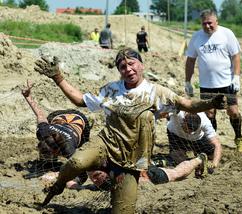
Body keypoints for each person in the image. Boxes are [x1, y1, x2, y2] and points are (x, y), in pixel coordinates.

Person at [34, 48, 226, 213]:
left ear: (141, 65)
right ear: (119, 71)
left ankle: (197, 160)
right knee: (76, 161)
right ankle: (58, 186)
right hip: (105, 145)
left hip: (130, 161)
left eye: (132, 64)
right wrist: (58, 77)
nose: (128, 69)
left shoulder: (157, 92)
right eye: (123, 67)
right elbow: (79, 100)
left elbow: (188, 104)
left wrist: (210, 103)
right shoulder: (111, 90)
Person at [185, 9, 242, 152]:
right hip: (207, 85)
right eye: (204, 24)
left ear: (216, 21)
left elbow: (236, 56)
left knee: (233, 112)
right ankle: (213, 142)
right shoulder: (196, 37)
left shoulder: (226, 34)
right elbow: (190, 60)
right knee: (209, 114)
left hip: (226, 83)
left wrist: (236, 77)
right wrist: (187, 81)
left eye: (210, 23)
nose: (207, 26)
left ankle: (238, 137)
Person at [21, 79, 91, 188]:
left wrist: (60, 176)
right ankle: (46, 164)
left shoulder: (69, 149)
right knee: (45, 163)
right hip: (58, 116)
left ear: (56, 151)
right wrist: (28, 97)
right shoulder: (43, 132)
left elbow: (83, 174)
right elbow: (40, 115)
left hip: (80, 120)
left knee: (83, 153)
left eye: (48, 154)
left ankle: (51, 166)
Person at [88, 153, 210, 190]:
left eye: (97, 176)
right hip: (141, 170)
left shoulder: (114, 166)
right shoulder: (100, 177)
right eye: (92, 179)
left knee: (177, 173)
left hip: (150, 176)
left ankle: (199, 159)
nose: (95, 181)